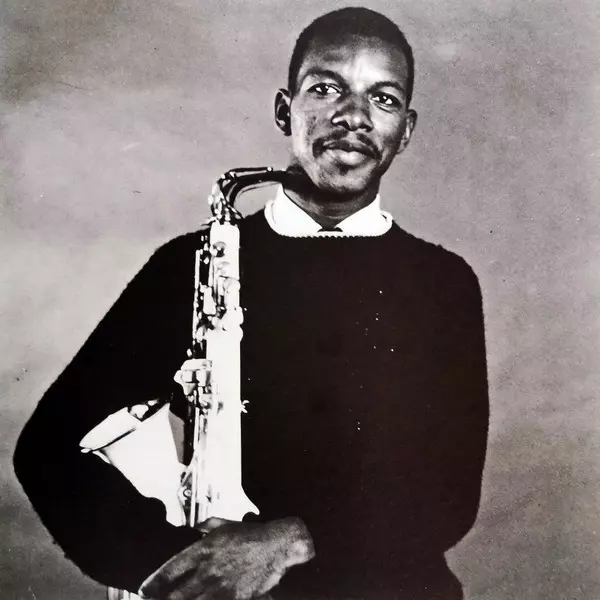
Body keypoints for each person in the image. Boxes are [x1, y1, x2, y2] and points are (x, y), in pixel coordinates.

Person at [14, 7, 489, 600]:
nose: (354, 117)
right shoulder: (190, 264)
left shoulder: (444, 282)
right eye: (326, 89)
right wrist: (174, 568)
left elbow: (450, 496)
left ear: (406, 130)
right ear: (284, 110)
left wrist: (288, 541)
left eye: (383, 99)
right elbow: (48, 449)